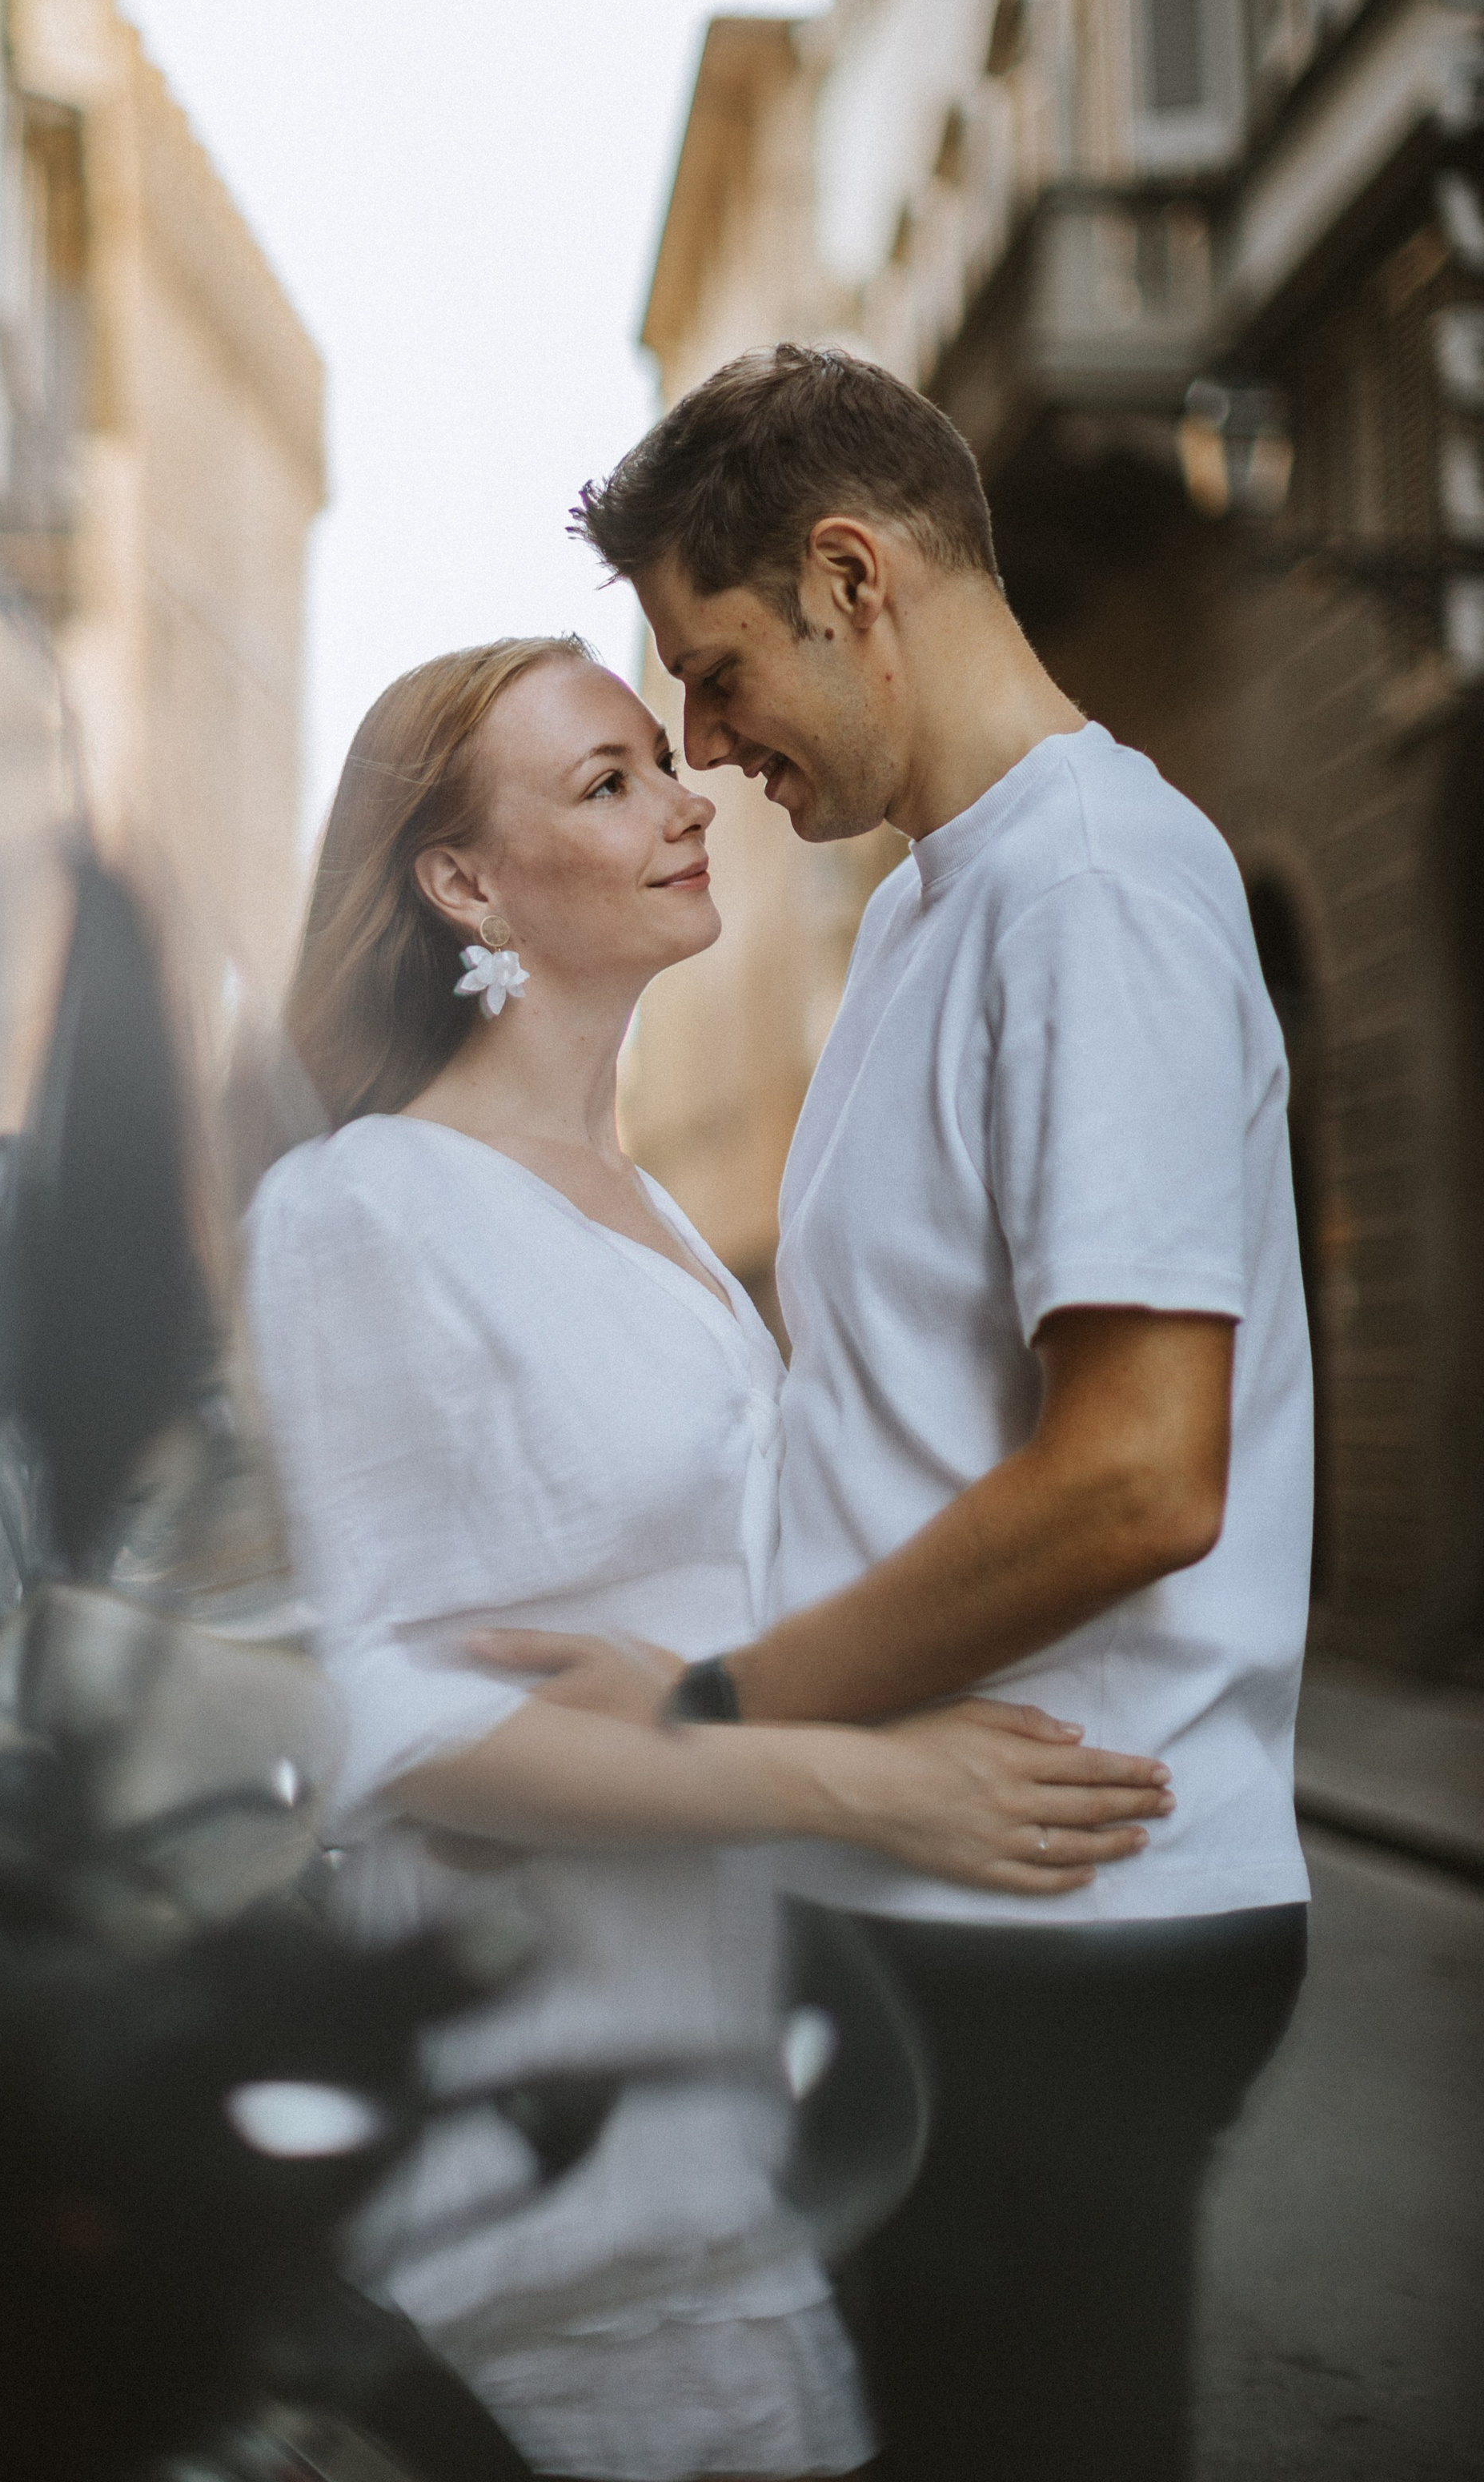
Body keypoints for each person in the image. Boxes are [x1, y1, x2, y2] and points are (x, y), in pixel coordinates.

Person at [479, 346, 1313, 2482]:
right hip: (939, 1904)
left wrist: (721, 1708)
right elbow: (892, 1427)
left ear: (853, 577)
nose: (696, 742)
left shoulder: (1092, 888)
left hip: (1068, 1919)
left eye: (714, 662)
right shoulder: (937, 905)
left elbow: (1138, 1474)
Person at [243, 633, 1174, 2482]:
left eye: (659, 766)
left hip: (731, 2130)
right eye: (603, 783)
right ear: (461, 882)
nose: (684, 803)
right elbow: (401, 1727)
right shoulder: (361, 1206)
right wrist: (857, 1789)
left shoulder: (653, 1210)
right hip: (547, 2170)